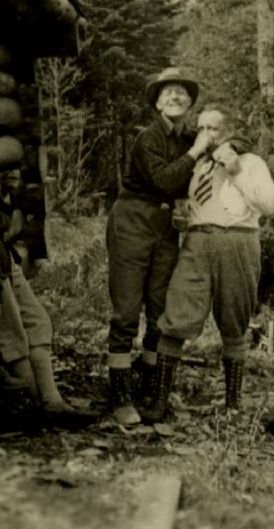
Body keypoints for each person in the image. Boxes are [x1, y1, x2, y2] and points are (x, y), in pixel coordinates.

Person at [140, 103, 274, 423]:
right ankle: (159, 400)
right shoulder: (197, 163)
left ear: (227, 130)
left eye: (213, 128)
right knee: (176, 315)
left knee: (234, 321)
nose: (206, 134)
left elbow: (270, 204)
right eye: (201, 128)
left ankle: (232, 407)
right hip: (197, 241)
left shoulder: (250, 162)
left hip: (238, 241)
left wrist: (236, 171)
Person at [0, 102, 85, 420]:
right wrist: (4, 211)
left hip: (5, 261)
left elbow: (5, 220)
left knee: (37, 321)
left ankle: (51, 399)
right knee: (13, 335)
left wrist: (5, 209)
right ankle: (37, 404)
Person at [106, 67, 213, 425]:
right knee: (125, 312)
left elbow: (227, 142)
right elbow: (166, 178)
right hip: (132, 221)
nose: (175, 97)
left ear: (190, 101)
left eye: (182, 92)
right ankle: (120, 396)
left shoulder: (190, 137)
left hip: (166, 227)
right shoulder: (147, 138)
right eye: (168, 92)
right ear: (156, 102)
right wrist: (197, 151)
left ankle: (152, 391)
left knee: (159, 312)